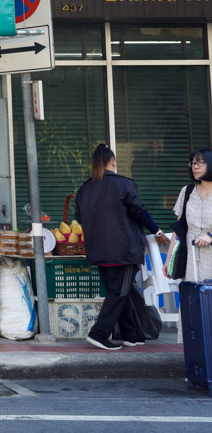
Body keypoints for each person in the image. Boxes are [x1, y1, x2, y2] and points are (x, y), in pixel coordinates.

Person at [75, 143, 169, 350]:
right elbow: (140, 211)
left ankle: (131, 334)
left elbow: (79, 218)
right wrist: (158, 232)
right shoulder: (124, 184)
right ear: (112, 162)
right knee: (119, 293)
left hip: (99, 251)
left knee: (119, 292)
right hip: (123, 250)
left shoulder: (84, 189)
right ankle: (98, 333)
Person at [173, 148, 212, 283]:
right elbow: (179, 229)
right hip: (191, 259)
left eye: (200, 163)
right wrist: (170, 261)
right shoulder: (187, 191)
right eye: (193, 163)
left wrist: (210, 236)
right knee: (194, 300)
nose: (195, 167)